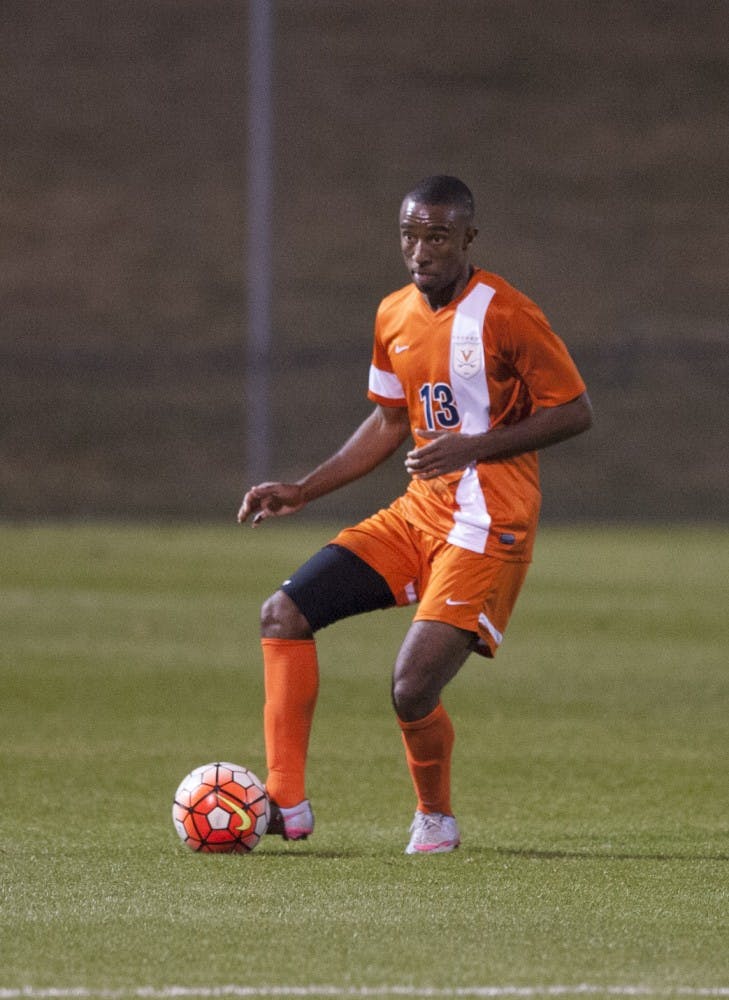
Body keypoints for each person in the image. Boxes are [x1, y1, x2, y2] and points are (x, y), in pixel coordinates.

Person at [238, 175, 592, 854]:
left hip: (490, 523)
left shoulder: (505, 313)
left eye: (436, 235)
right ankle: (286, 802)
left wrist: (475, 447)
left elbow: (575, 411)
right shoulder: (393, 313)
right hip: (417, 515)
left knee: (410, 688)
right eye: (409, 233)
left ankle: (435, 817)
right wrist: (303, 489)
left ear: (466, 239)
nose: (420, 249)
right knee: (282, 613)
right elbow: (387, 421)